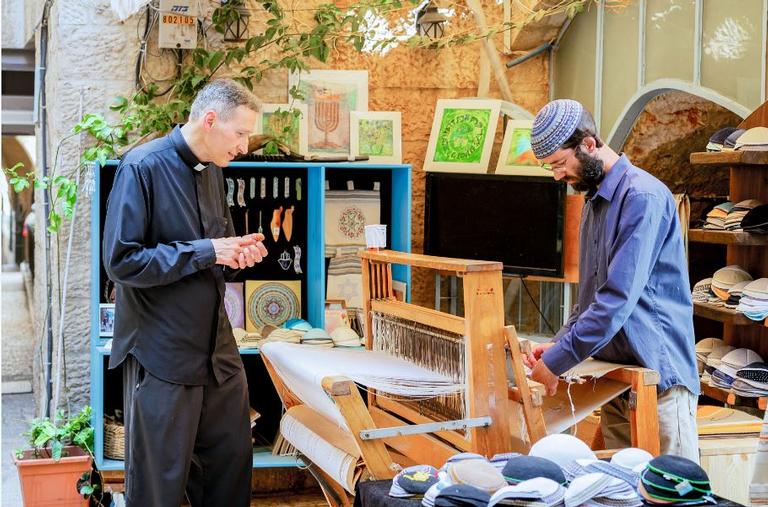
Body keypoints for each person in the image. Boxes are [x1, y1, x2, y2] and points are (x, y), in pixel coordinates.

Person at [103, 79, 268, 506]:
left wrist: (236, 253)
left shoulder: (213, 172)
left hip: (218, 353)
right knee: (159, 484)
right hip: (163, 353)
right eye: (241, 133)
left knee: (230, 471)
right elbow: (122, 261)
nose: (245, 146)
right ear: (210, 121)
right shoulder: (141, 167)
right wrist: (208, 250)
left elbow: (216, 249)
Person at [524, 99, 700, 461]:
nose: (557, 176)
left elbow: (615, 300)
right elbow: (590, 298)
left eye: (560, 164)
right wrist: (557, 344)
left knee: (674, 495)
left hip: (660, 380)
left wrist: (557, 361)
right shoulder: (593, 203)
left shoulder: (642, 197)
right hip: (618, 382)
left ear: (588, 145)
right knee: (622, 494)